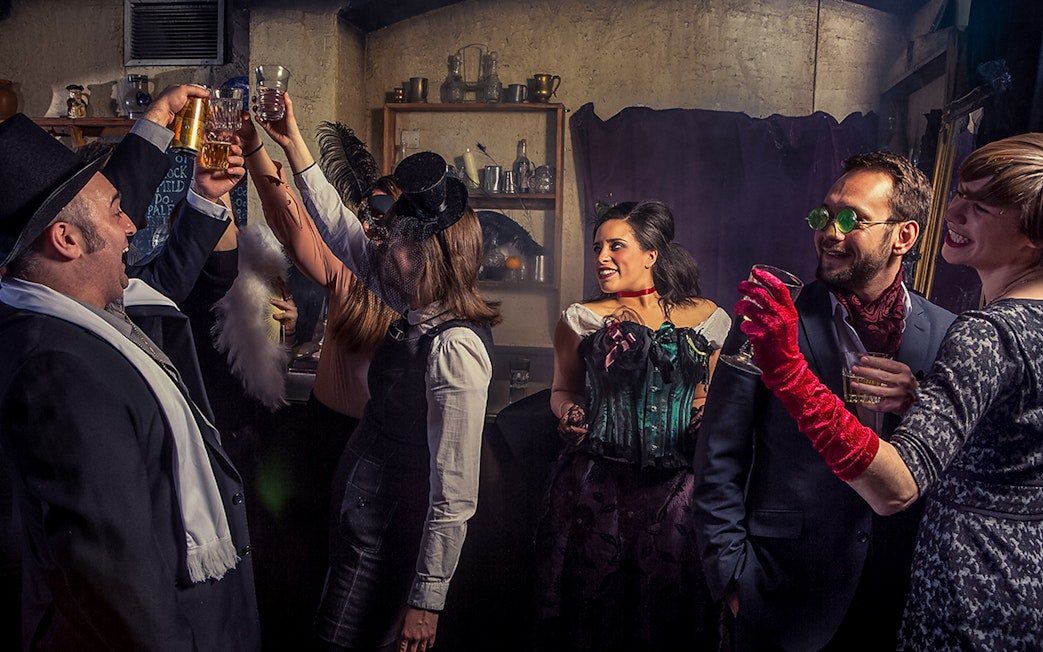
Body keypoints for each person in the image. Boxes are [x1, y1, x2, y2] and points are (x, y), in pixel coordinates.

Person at [735, 133, 1043, 649]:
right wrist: (929, 400)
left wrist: (788, 371)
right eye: (959, 194)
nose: (955, 210)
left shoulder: (980, 331)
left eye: (981, 206)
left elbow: (896, 487)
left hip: (968, 588)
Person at [0, 110, 259, 649]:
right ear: (66, 239)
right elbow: (117, 585)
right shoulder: (57, 372)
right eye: (117, 210)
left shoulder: (90, 313)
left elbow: (171, 281)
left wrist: (207, 194)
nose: (131, 226)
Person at [256, 93, 500, 652]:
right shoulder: (408, 303)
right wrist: (292, 141)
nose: (379, 240)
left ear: (422, 255)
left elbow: (455, 493)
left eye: (391, 236)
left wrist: (427, 599)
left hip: (386, 545)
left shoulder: (456, 348)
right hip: (360, 531)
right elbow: (338, 229)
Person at [692, 151, 956, 651]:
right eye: (823, 215)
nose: (830, 232)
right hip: (783, 591)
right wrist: (733, 580)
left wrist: (920, 402)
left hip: (897, 595)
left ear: (904, 235)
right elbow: (718, 456)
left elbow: (959, 464)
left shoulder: (947, 333)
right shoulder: (772, 317)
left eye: (851, 219)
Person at [535, 200, 730, 651]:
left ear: (651, 254)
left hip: (678, 493)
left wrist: (705, 417)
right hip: (595, 489)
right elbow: (562, 390)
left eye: (615, 246)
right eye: (598, 247)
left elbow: (707, 395)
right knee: (597, 620)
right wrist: (570, 413)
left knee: (667, 618)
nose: (602, 257)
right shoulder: (581, 318)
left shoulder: (708, 318)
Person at [235, 114, 399, 620]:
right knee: (312, 564)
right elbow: (297, 220)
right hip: (324, 432)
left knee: (364, 576)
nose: (372, 225)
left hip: (381, 447)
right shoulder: (351, 276)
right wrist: (255, 145)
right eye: (370, 214)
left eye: (386, 216)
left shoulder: (422, 304)